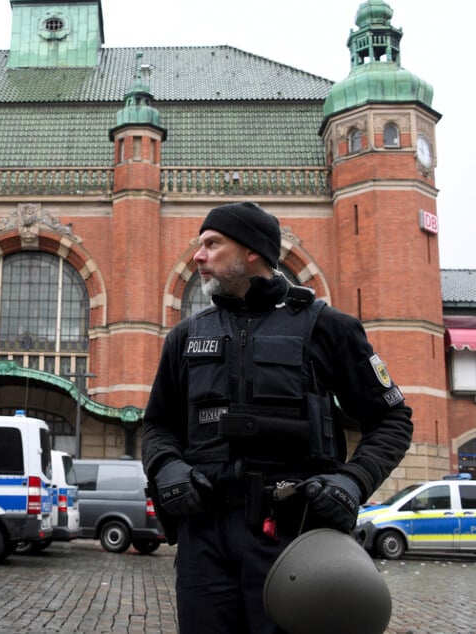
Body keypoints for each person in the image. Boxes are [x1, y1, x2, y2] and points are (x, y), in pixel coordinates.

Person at [140, 201, 413, 634]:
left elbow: (393, 420)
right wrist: (167, 466)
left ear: (251, 251)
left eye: (212, 243)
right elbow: (156, 425)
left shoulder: (330, 328)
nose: (198, 255)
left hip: (294, 538)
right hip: (204, 540)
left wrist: (353, 481)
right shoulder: (185, 336)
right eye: (200, 244)